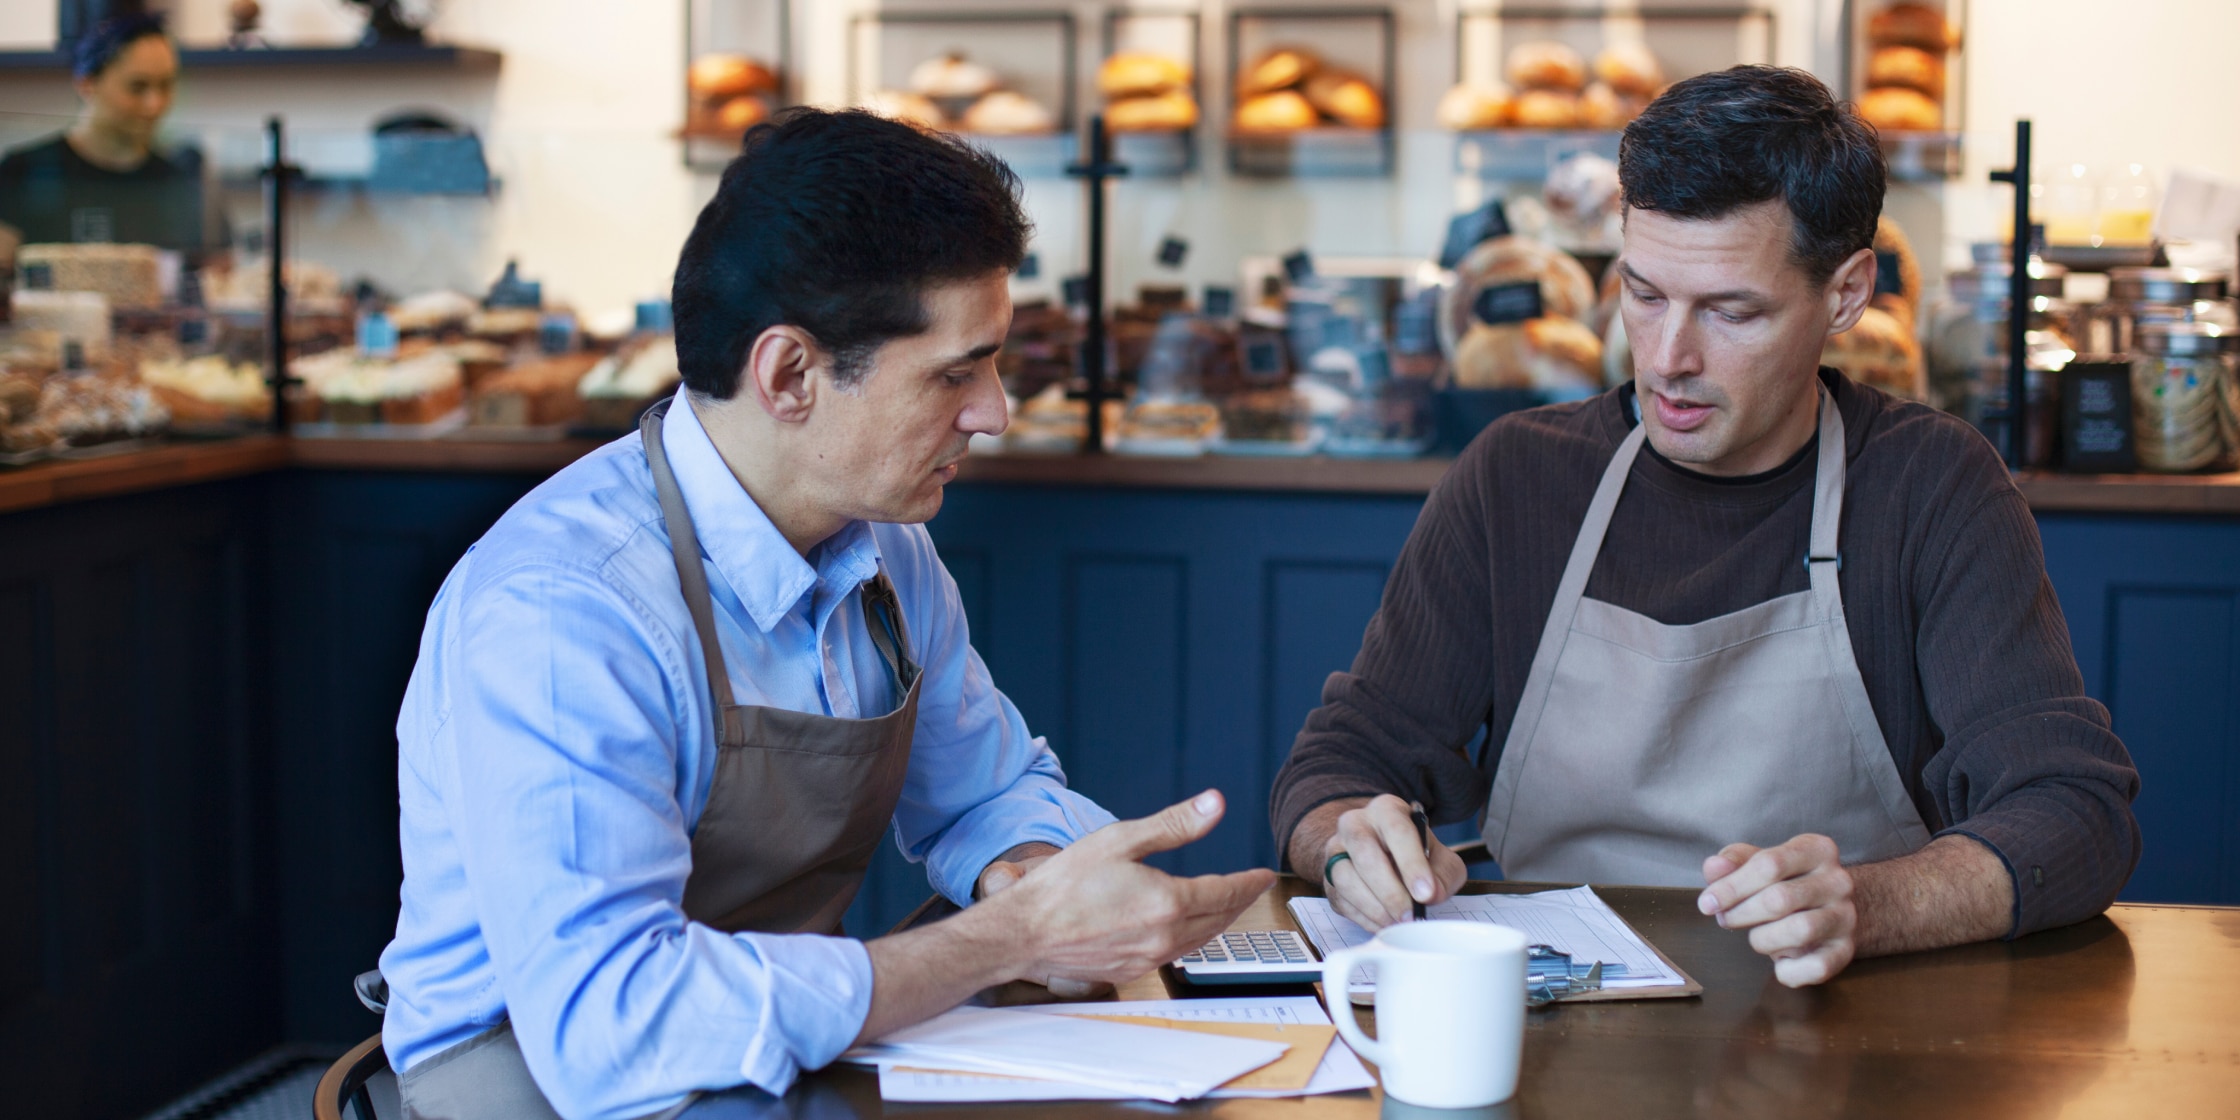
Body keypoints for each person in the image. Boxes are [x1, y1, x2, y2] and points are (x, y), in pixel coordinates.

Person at [373, 109, 1274, 1119]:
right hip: (532, 1083)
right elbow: (610, 1028)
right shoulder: (559, 613)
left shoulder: (887, 547)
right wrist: (1013, 935)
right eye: (954, 371)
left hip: (767, 1066)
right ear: (789, 375)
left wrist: (1031, 873)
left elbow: (986, 788)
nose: (993, 412)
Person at [1270, 66, 2139, 989]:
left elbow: (2075, 812)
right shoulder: (1516, 477)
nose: (1670, 360)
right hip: (1555, 1033)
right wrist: (1345, 841)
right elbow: (1340, 762)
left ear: (1846, 295)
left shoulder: (1930, 486)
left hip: (1841, 1040)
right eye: (1644, 295)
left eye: (1732, 311)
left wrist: (1875, 905)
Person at [0, 13, 217, 257]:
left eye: (165, 85)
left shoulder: (177, 183)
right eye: (137, 87)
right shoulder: (23, 173)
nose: (154, 104)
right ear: (87, 84)